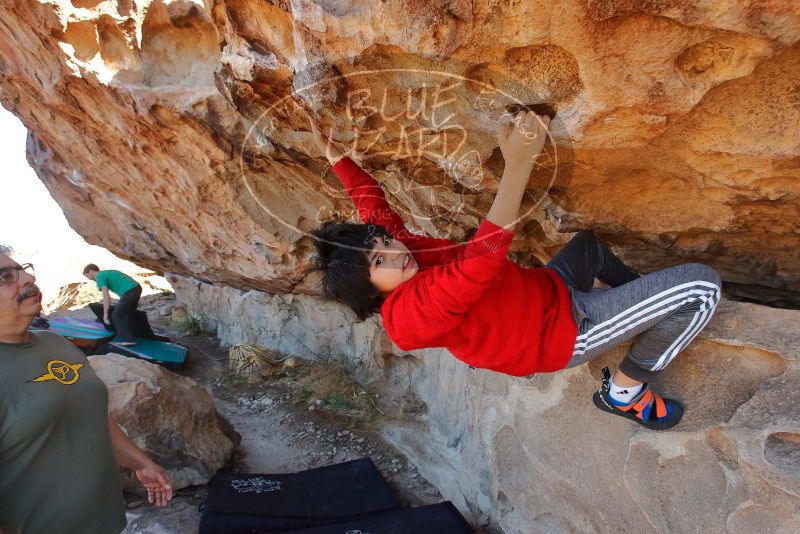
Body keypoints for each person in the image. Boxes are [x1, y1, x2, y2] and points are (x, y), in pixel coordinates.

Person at [308, 111, 721, 430]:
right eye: (378, 261)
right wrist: (519, 165)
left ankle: (645, 309)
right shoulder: (408, 316)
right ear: (368, 290)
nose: (394, 251)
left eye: (385, 243)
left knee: (589, 246)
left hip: (550, 290)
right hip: (562, 335)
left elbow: (371, 205)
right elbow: (481, 261)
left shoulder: (404, 253)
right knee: (701, 287)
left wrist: (335, 157)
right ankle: (625, 392)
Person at [0, 246, 172, 533]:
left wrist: (140, 463)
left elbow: (90, 414)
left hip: (106, 521)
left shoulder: (55, 342)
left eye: (22, 269)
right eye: (5, 276)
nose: (27, 278)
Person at [83, 264, 141, 346]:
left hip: (129, 291)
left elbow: (106, 295)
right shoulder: (106, 273)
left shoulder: (99, 276)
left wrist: (105, 314)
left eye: (87, 276)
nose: (88, 278)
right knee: (128, 314)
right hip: (137, 288)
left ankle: (129, 340)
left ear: (91, 271)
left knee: (116, 316)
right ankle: (131, 335)